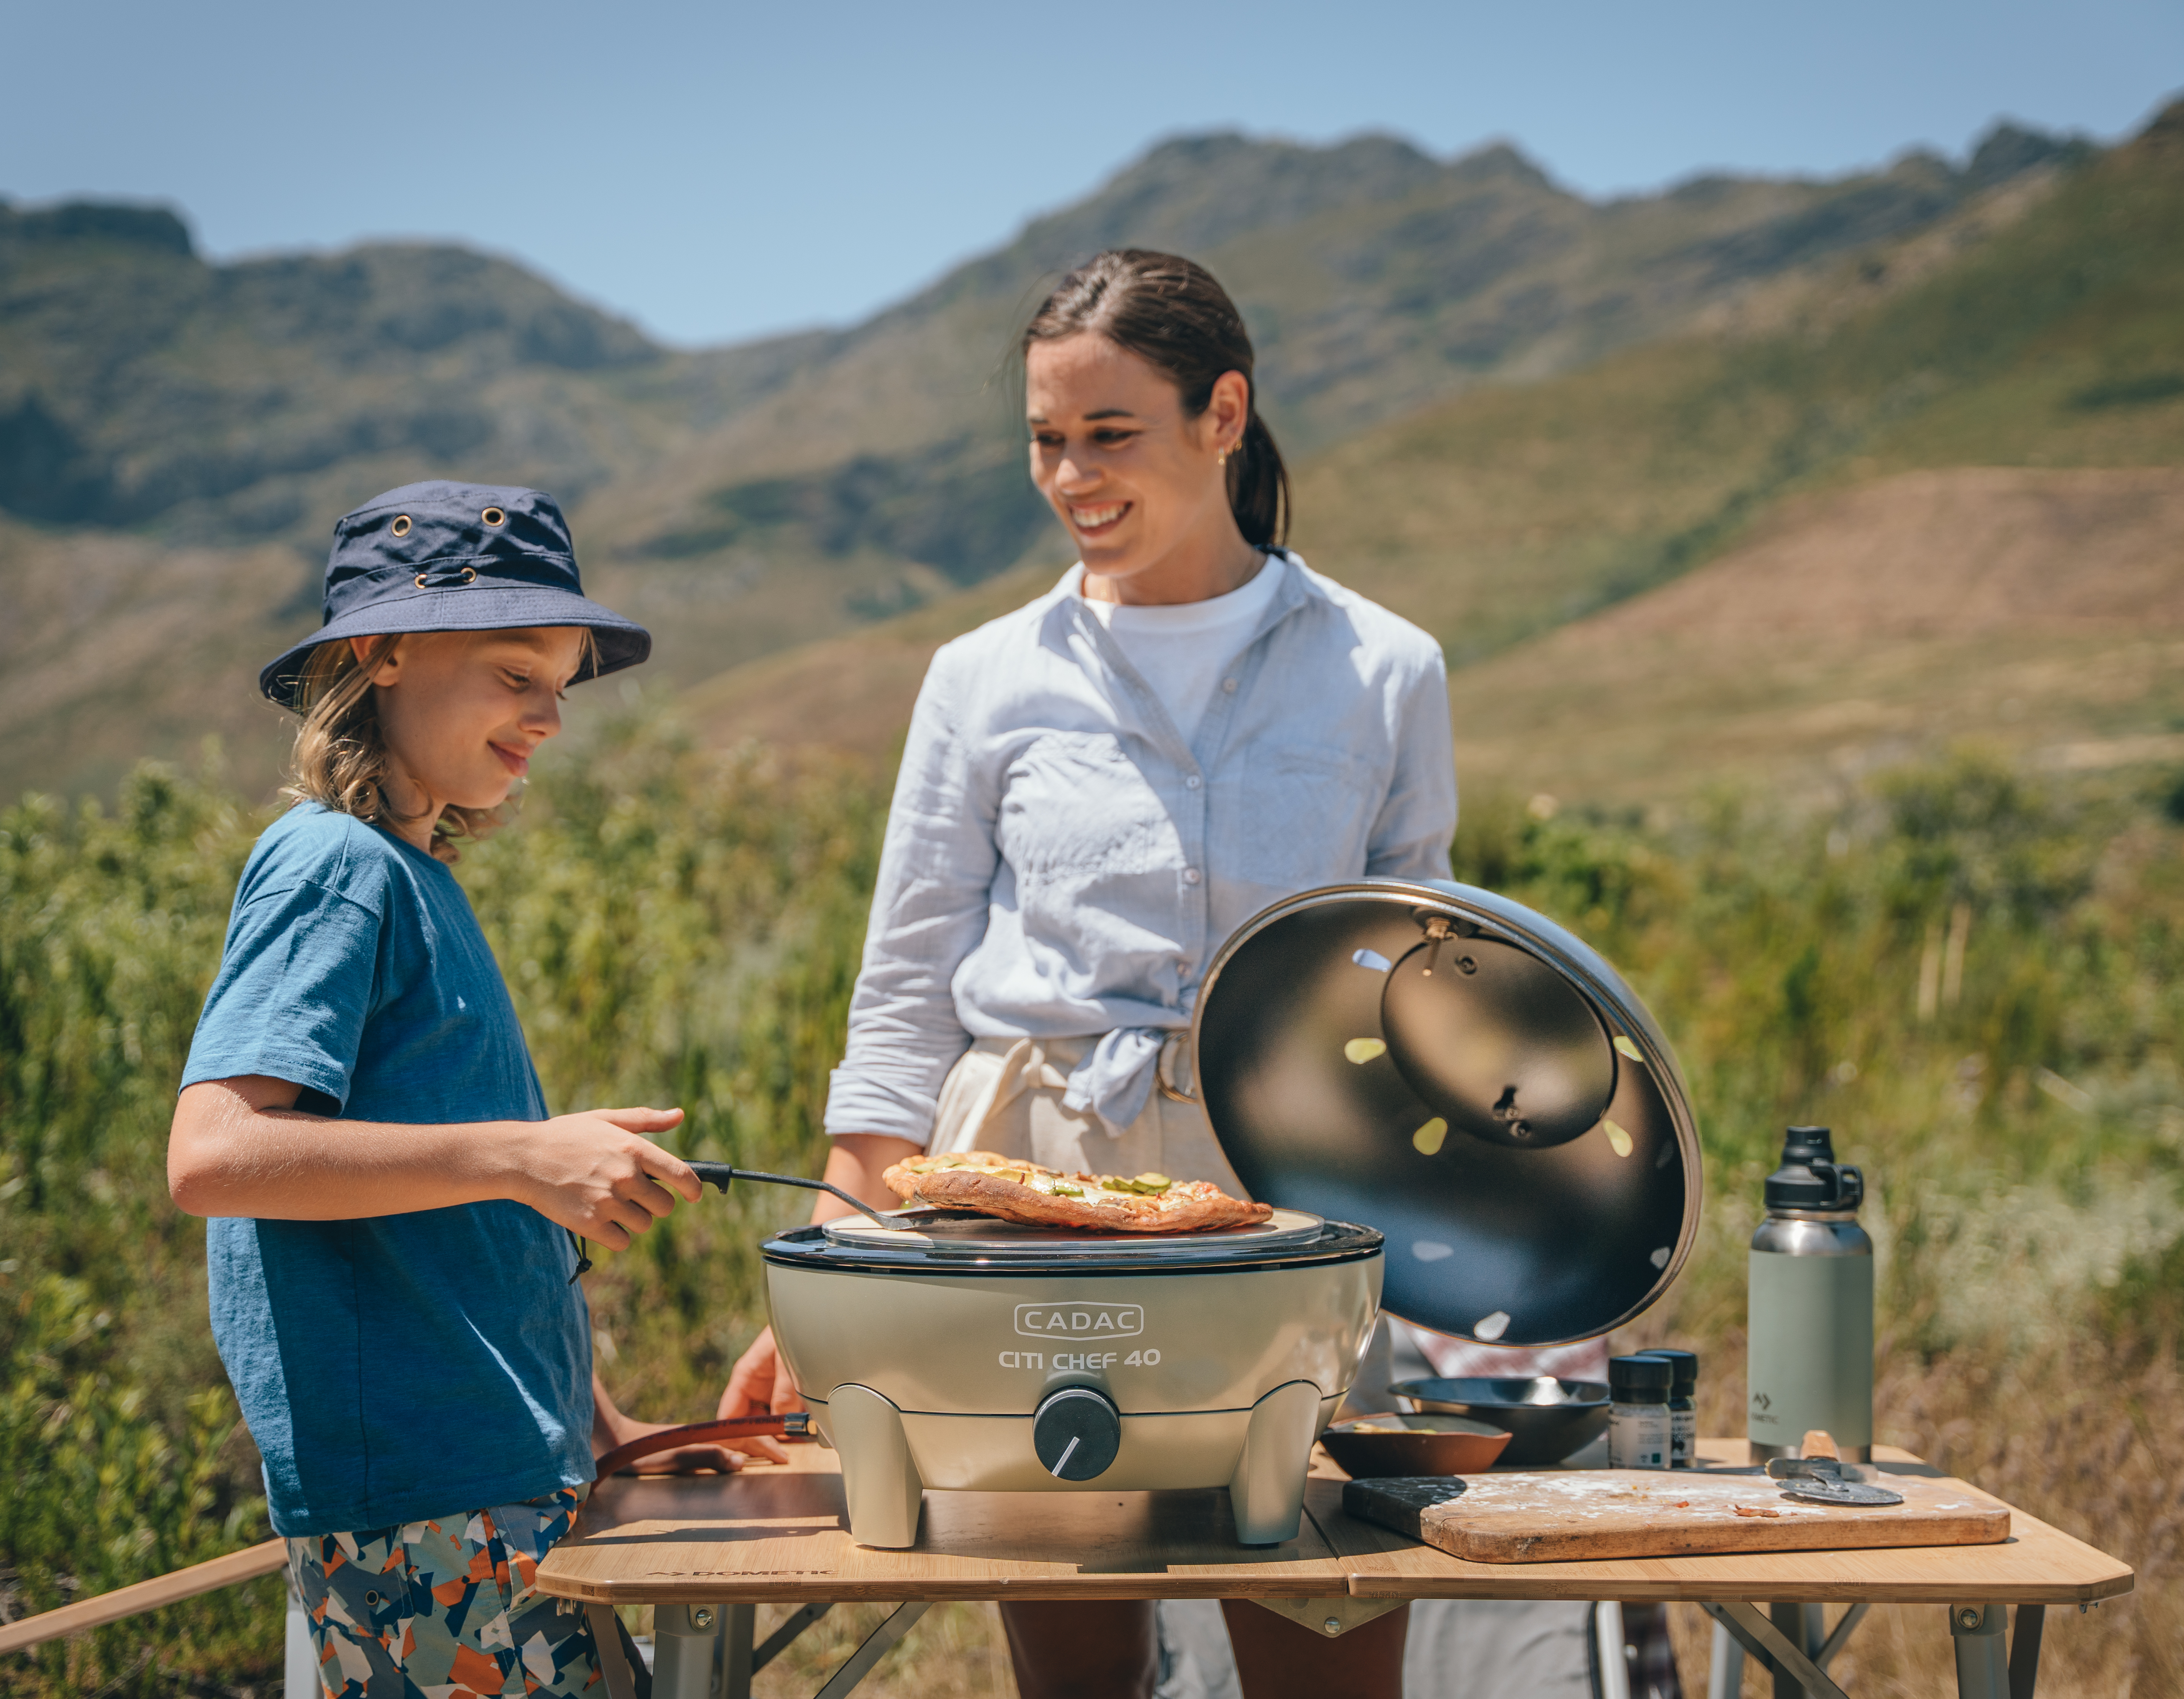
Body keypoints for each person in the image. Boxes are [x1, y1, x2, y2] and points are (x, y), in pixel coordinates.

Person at [716, 251, 1452, 1699]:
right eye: (1046, 440)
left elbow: (1411, 991)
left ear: (1221, 414)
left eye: (1108, 435)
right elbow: (907, 987)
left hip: (1290, 1203)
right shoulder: (982, 677)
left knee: (1327, 1635)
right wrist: (838, 1287)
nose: (1069, 475)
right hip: (1024, 1204)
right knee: (1075, 1671)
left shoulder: (1385, 670)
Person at [167, 483, 731, 1699]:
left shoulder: (411, 876)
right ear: (380, 655)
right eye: (516, 673)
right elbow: (214, 1153)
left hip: (491, 1481)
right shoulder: (334, 866)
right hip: (425, 1508)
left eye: (561, 685)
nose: (550, 718)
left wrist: (599, 1423)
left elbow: (445, 1239)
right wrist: (521, 1158)